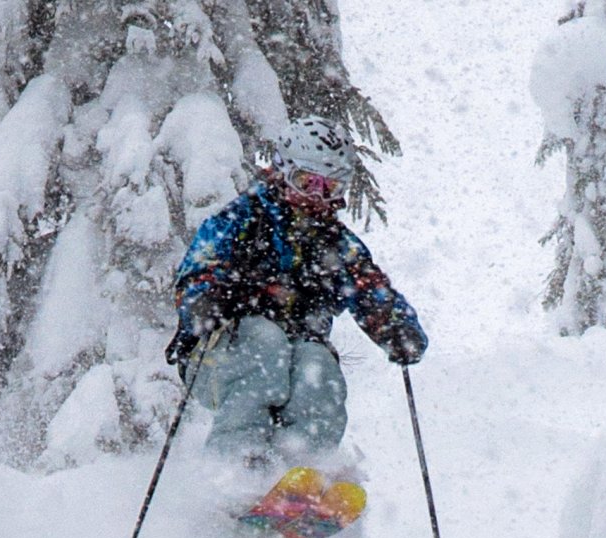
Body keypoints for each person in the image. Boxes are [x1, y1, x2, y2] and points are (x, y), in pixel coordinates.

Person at [166, 117, 427, 468]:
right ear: (280, 172)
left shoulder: (334, 245)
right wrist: (216, 299)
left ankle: (303, 470)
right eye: (305, 182)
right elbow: (195, 277)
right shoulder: (241, 221)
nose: (315, 197)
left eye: (330, 187)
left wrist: (394, 326)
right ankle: (234, 468)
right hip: (218, 357)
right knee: (265, 341)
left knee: (317, 369)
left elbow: (369, 288)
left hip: (292, 357)